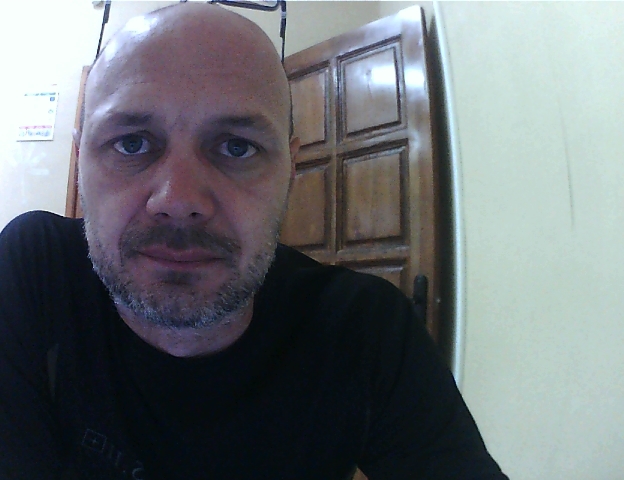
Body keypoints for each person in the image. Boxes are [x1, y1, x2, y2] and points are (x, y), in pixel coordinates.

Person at [0, 4, 508, 479]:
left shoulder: (363, 329)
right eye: (131, 143)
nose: (179, 199)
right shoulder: (35, 272)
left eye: (237, 147)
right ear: (82, 162)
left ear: (291, 169)